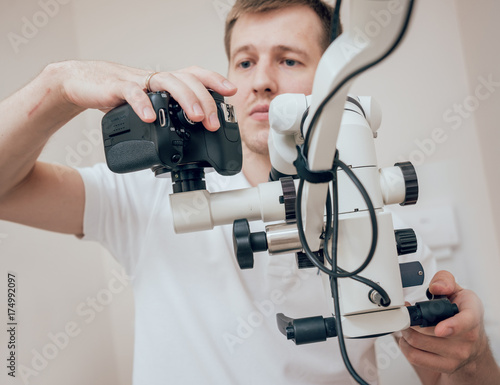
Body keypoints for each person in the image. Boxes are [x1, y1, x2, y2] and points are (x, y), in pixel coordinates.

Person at [0, 0, 498, 384]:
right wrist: (58, 84)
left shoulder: (376, 213)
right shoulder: (144, 198)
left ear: (335, 78)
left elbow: (447, 374)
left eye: (288, 60)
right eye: (244, 62)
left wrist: (471, 358)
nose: (260, 81)